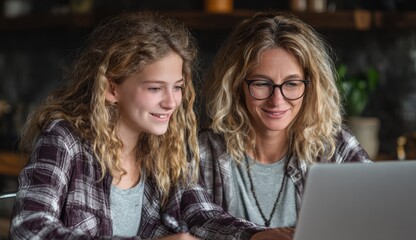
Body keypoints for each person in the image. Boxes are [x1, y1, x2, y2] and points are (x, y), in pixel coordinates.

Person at [9, 11, 293, 240]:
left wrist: (258, 236)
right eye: (156, 88)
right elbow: (30, 229)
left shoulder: (162, 147)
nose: (172, 102)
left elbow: (200, 213)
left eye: (178, 87)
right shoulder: (65, 140)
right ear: (111, 89)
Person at [199, 12, 371, 228]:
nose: (277, 100)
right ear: (237, 85)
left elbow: (381, 208)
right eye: (262, 84)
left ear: (310, 87)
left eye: (291, 84)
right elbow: (195, 221)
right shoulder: (205, 152)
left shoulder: (336, 147)